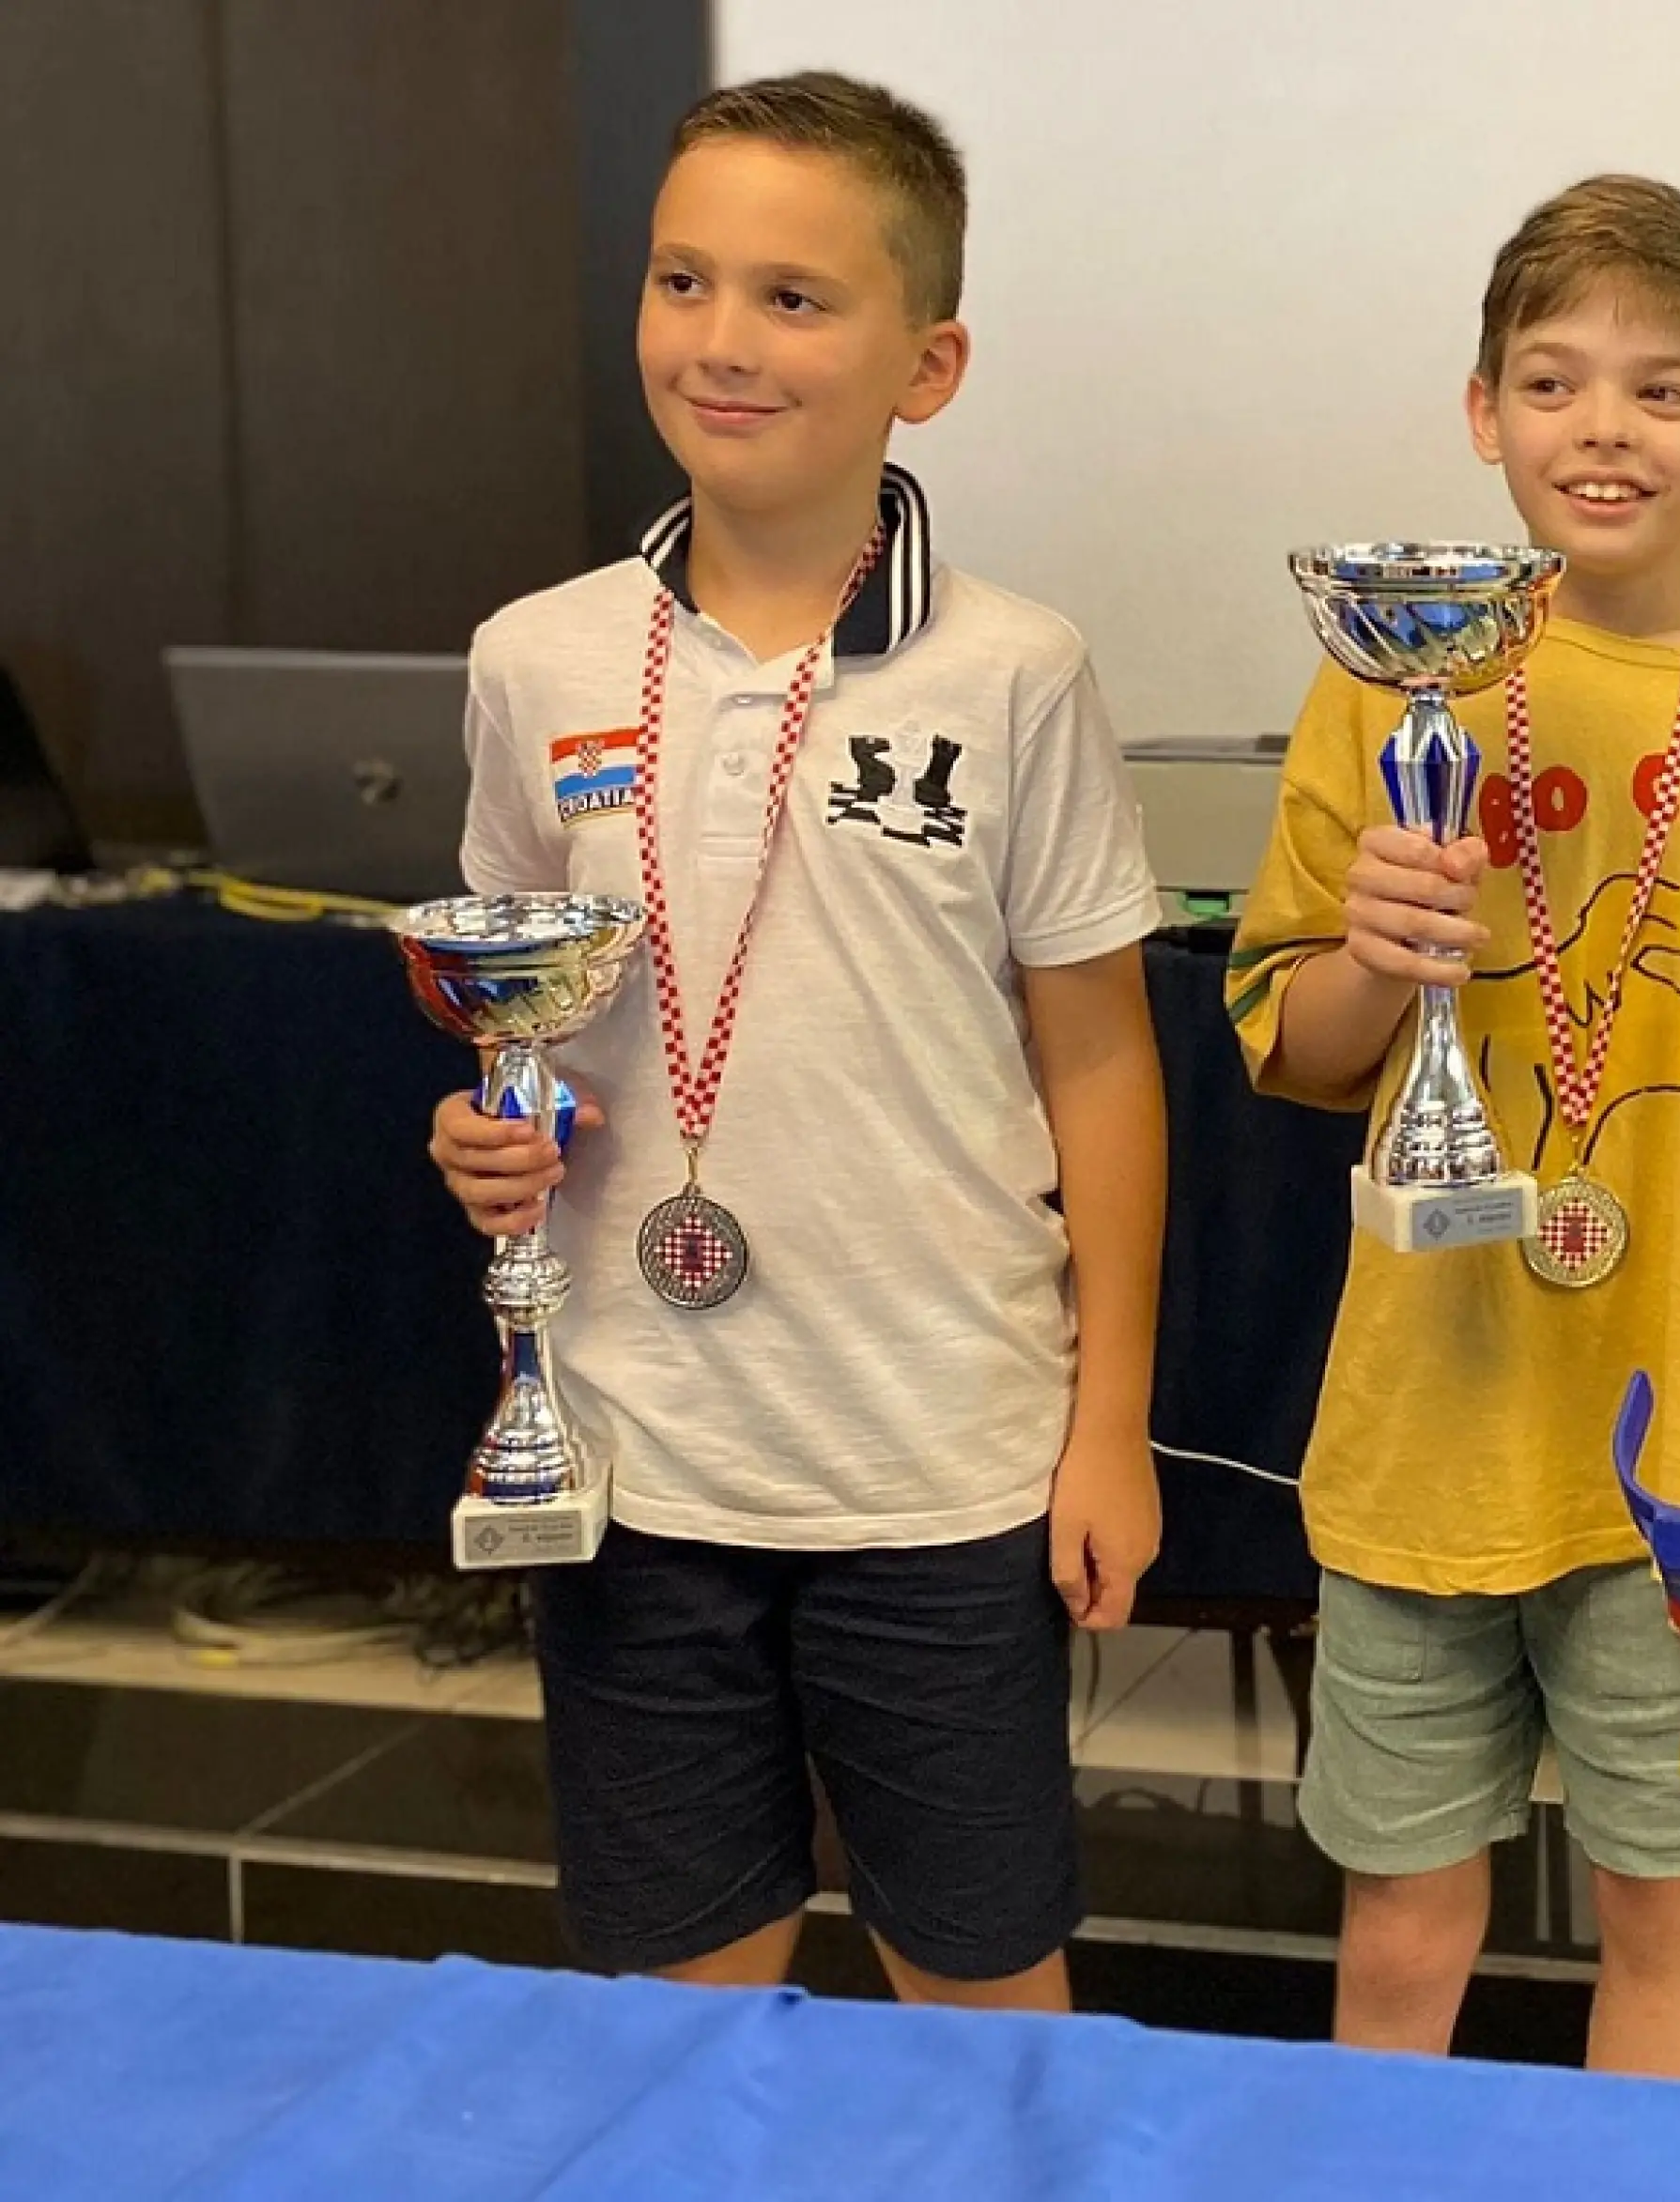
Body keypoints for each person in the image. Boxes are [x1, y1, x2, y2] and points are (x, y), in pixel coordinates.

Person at [429, 71, 1167, 2009]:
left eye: (793, 297)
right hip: (636, 1458)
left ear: (930, 364)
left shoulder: (1014, 672)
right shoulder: (537, 654)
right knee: (678, 2009)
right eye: (683, 280)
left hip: (939, 1459)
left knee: (981, 1995)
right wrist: (492, 1124)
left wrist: (1107, 1425)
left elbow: (1102, 1064)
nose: (722, 340)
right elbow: (515, 996)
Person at [1225, 175, 1680, 2075]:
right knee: (1402, 1923)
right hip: (1427, 1427)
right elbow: (1295, 1040)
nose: (1602, 429)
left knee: (1670, 1916)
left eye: (1661, 389)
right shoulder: (1390, 671)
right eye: (1552, 383)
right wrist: (1374, 952)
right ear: (1484, 412)